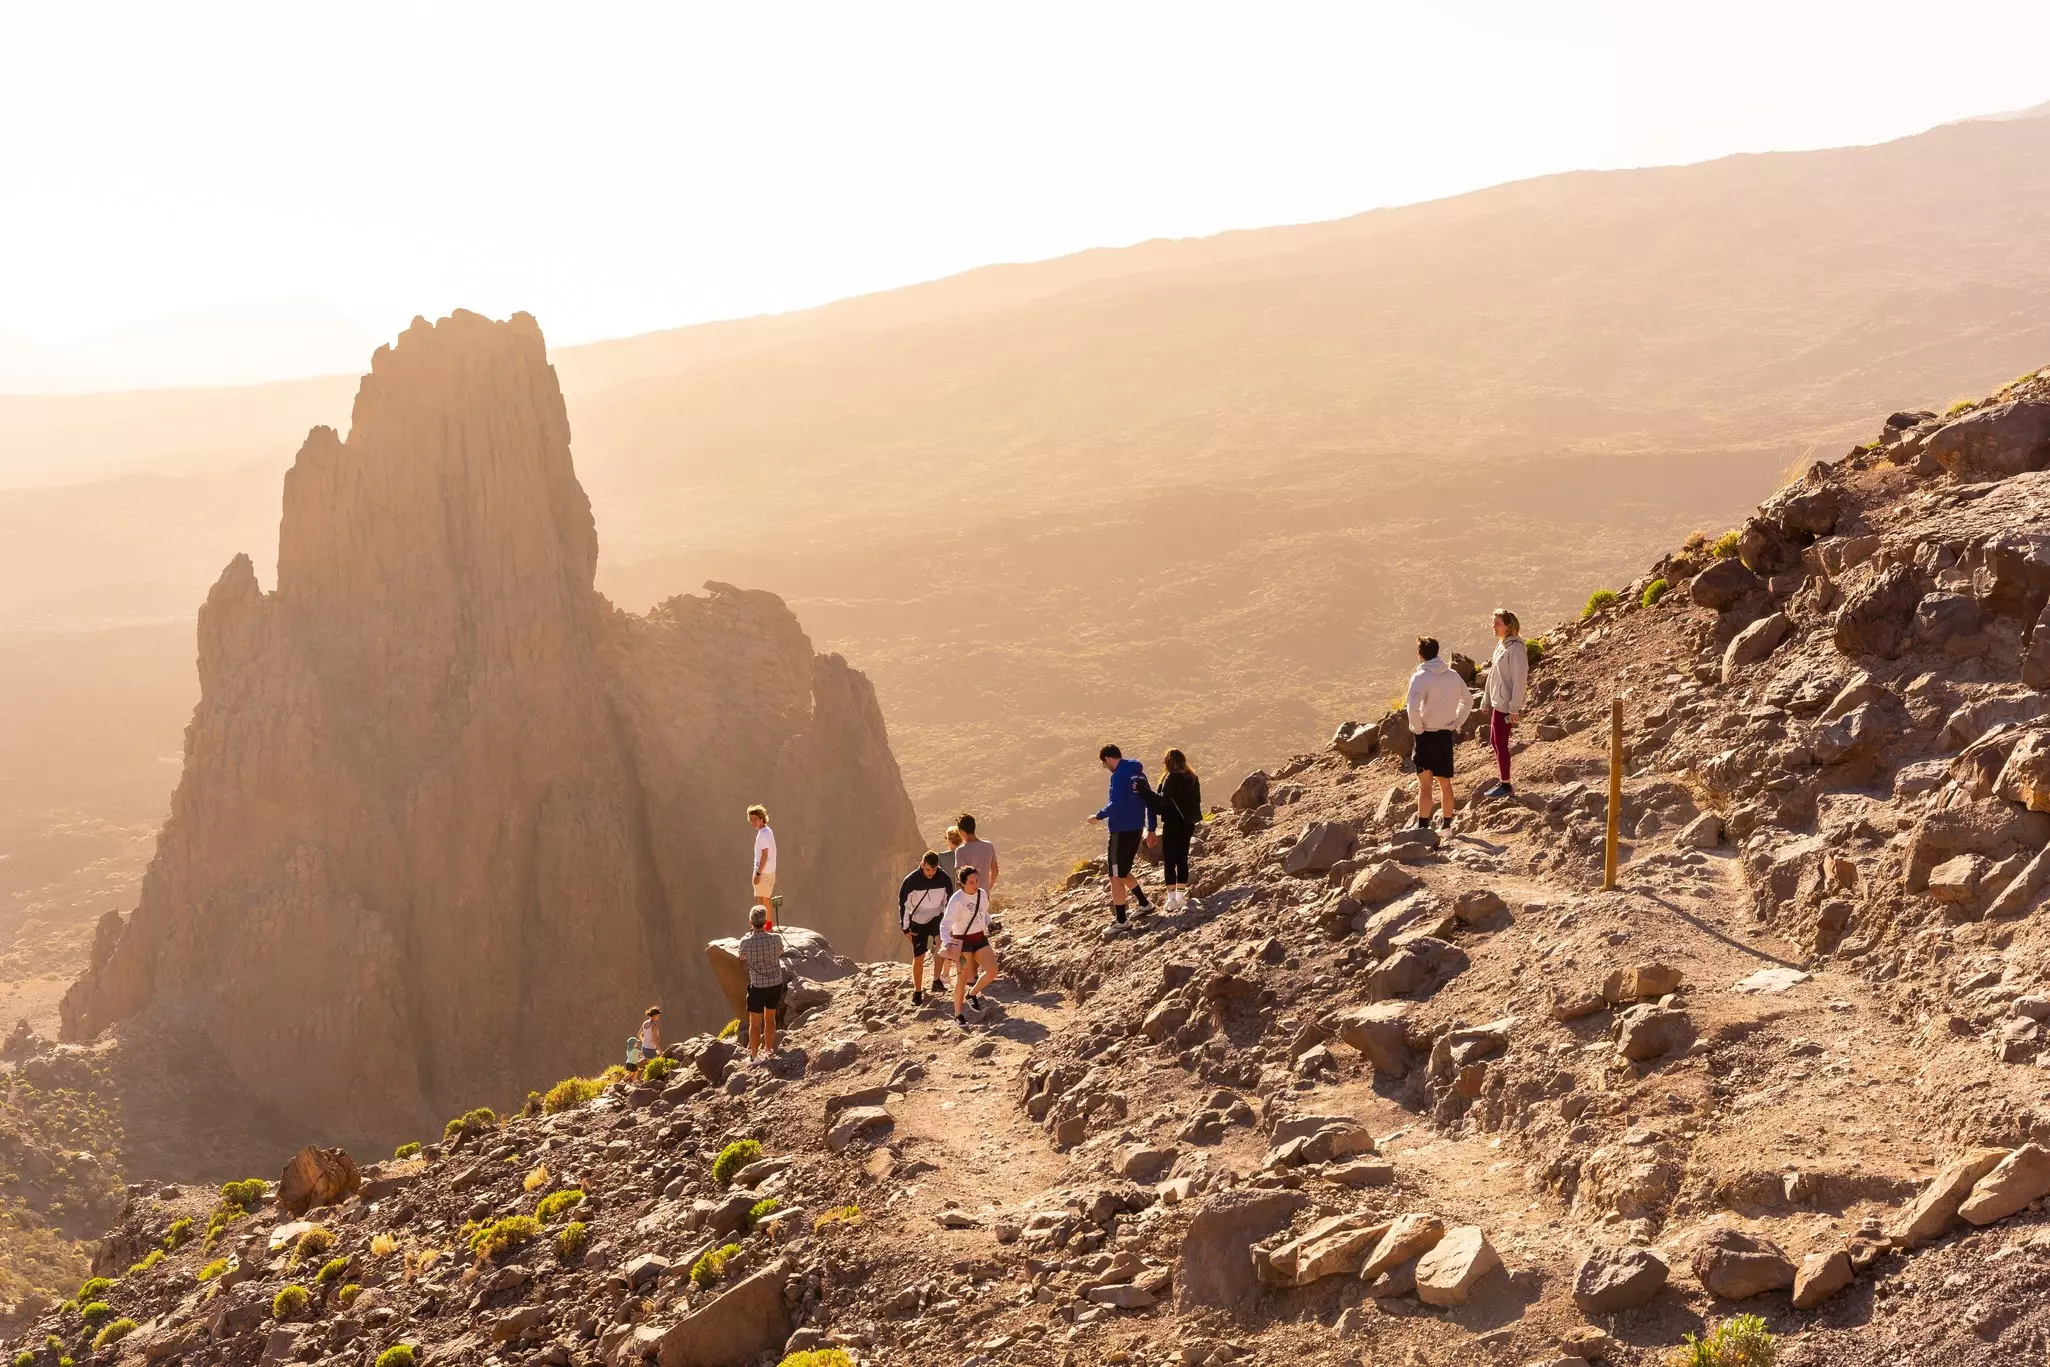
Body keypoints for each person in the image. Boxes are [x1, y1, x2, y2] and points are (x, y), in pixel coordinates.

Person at [1405, 636, 1473, 830]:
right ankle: (1447, 827)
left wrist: (1418, 728)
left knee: (1425, 785)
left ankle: (1423, 828)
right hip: (1445, 734)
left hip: (1426, 735)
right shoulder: (1452, 675)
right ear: (1437, 651)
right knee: (1445, 782)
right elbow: (1467, 700)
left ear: (1420, 654)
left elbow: (1412, 707)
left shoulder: (1420, 677)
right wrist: (1457, 721)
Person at [1088, 744, 1155, 923]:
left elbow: (1116, 804)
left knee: (1115, 875)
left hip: (1121, 830)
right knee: (1123, 871)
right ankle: (1144, 904)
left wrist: (1098, 816)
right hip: (1136, 828)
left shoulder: (1118, 776)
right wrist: (1151, 828)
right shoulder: (1138, 773)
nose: (1106, 768)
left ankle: (1121, 921)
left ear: (1108, 759)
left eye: (1105, 764)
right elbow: (1149, 801)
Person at [1138, 749, 1202, 911]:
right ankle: (1181, 897)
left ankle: (1172, 899)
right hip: (1188, 823)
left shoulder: (1172, 777)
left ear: (1168, 761)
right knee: (1182, 859)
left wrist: (1143, 790)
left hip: (1173, 823)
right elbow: (1197, 800)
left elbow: (1162, 801)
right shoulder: (1193, 778)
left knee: (1169, 861)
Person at [941, 865, 997, 1029]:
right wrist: (948, 943)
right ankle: (958, 1015)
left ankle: (972, 994)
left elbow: (983, 913)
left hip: (979, 939)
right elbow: (945, 924)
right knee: (962, 978)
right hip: (962, 942)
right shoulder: (956, 900)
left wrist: (990, 922)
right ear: (962, 884)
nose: (975, 884)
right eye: (971, 882)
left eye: (977, 880)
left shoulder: (981, 894)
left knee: (993, 971)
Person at [1482, 608, 1528, 798]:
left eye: (1497, 623)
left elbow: (1520, 679)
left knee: (1500, 743)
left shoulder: (1516, 648)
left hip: (1506, 705)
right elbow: (1493, 675)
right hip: (1497, 702)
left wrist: (1514, 707)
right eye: (1493, 622)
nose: (1493, 626)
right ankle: (1504, 780)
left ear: (1508, 626)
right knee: (1495, 741)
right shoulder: (1501, 646)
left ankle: (1505, 785)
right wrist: (1486, 700)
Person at [899, 851, 954, 1004]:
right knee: (919, 956)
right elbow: (904, 905)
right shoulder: (910, 881)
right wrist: (906, 928)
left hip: (937, 916)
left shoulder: (944, 878)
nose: (931, 873)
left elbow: (949, 902)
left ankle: (936, 980)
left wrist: (948, 923)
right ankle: (917, 992)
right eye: (928, 870)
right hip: (918, 920)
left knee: (940, 946)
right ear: (922, 865)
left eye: (934, 870)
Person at [737, 904, 786, 1060]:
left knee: (755, 1023)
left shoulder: (746, 942)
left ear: (750, 922)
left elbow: (741, 956)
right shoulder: (776, 938)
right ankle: (769, 1049)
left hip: (758, 987)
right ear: (766, 922)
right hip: (775, 984)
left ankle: (754, 1057)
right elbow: (780, 952)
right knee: (770, 1018)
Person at [952, 815, 998, 897]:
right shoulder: (988, 846)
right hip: (984, 894)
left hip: (969, 895)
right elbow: (995, 870)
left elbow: (960, 876)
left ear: (962, 831)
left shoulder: (961, 851)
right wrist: (988, 887)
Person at [747, 805, 777, 927]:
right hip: (770, 871)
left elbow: (764, 854)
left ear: (761, 818)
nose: (753, 822)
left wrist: (758, 873)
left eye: (755, 819)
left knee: (759, 900)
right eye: (750, 820)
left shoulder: (762, 835)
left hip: (763, 872)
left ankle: (758, 928)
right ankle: (768, 926)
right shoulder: (768, 831)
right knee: (766, 899)